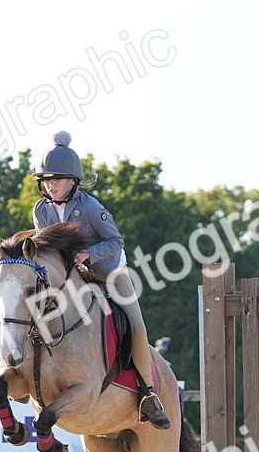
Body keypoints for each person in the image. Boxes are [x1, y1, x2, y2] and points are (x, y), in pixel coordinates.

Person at [29, 131, 169, 429]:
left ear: (73, 181)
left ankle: (149, 394)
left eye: (57, 179)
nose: (51, 184)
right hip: (73, 279)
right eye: (46, 180)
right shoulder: (40, 210)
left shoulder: (90, 207)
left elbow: (115, 241)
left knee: (137, 327)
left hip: (109, 273)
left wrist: (87, 254)